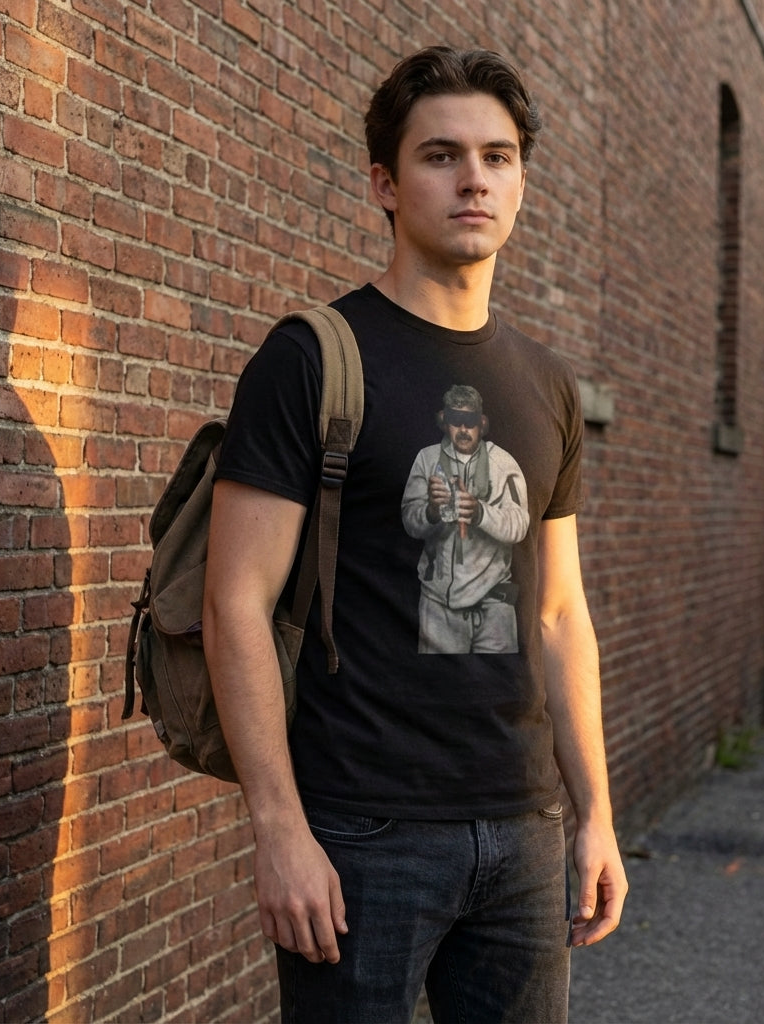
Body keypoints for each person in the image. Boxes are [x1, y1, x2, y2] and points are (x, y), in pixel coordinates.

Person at [203, 45, 627, 1022]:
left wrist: (595, 814)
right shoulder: (311, 359)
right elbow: (235, 603)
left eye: (497, 156)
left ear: (519, 181)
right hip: (362, 829)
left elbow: (560, 615)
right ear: (384, 185)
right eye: (441, 155)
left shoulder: (546, 385)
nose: (474, 178)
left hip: (522, 828)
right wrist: (280, 829)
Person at [401, 383, 529, 653]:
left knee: (495, 679)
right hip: (438, 607)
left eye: (469, 421)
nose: (463, 429)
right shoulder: (427, 459)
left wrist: (481, 513)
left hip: (494, 605)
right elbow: (409, 520)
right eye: (455, 420)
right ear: (443, 420)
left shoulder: (504, 463)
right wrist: (431, 512)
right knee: (438, 678)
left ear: (482, 423)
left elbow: (520, 525)